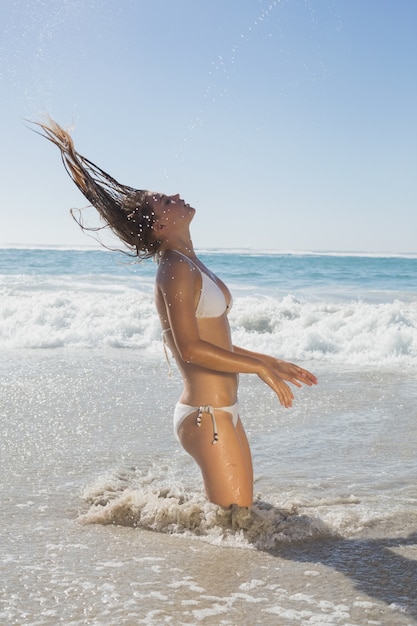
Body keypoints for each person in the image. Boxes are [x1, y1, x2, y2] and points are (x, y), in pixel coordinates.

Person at [33, 118, 318, 508]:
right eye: (166, 200)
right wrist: (259, 370)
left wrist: (271, 361)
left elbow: (213, 339)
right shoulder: (175, 269)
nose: (177, 196)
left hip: (222, 411)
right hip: (207, 416)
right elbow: (190, 349)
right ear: (161, 225)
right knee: (237, 525)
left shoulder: (189, 262)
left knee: (242, 520)